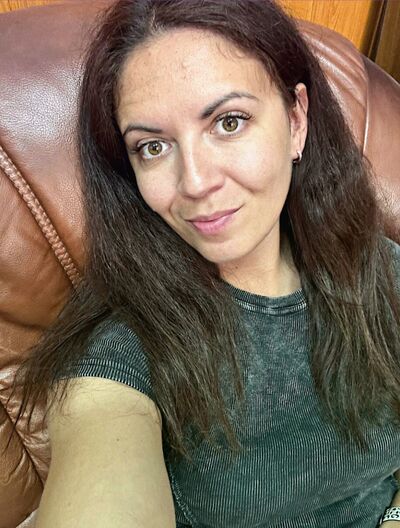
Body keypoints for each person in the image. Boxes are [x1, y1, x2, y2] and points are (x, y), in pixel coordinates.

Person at [14, 0, 400, 527]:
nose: (195, 183)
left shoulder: (380, 267)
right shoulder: (122, 356)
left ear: (295, 120)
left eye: (228, 122)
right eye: (153, 147)